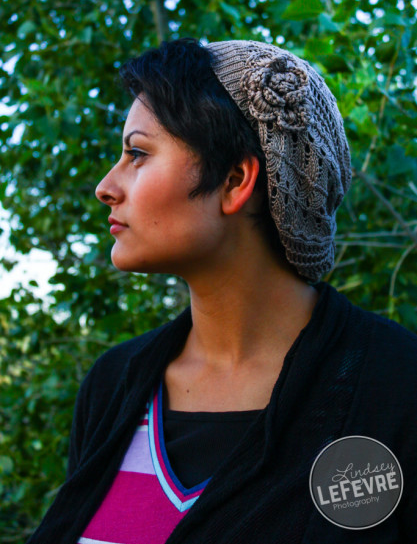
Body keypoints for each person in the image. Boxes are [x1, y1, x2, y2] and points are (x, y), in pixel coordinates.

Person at [27, 38, 417, 544]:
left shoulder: (396, 390)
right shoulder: (112, 388)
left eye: (137, 153)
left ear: (235, 180)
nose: (106, 186)